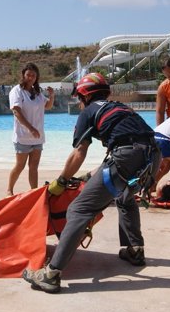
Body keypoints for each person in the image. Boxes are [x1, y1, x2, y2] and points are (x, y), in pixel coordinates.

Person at [22, 73, 161, 293]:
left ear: (85, 95)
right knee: (124, 196)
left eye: (79, 97)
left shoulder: (89, 111)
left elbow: (80, 152)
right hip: (153, 156)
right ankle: (134, 249)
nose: (78, 102)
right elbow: (125, 146)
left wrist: (62, 180)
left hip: (127, 155)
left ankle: (51, 274)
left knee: (79, 208)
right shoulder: (120, 108)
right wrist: (90, 177)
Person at [6, 62, 55, 196]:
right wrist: (31, 128)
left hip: (38, 137)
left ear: (36, 77)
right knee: (20, 165)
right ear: (23, 75)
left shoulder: (37, 92)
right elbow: (16, 112)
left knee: (34, 167)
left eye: (33, 75)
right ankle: (9, 190)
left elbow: (48, 106)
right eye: (28, 75)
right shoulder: (17, 91)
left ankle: (34, 192)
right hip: (22, 136)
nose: (31, 77)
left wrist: (51, 96)